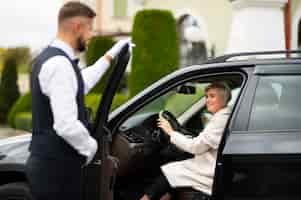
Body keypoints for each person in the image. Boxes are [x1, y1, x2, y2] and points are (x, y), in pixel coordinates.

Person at [25, 2, 132, 200]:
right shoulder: (59, 65)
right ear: (77, 27)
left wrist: (110, 55)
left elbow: (82, 82)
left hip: (51, 167)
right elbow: (65, 124)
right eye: (90, 28)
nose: (91, 35)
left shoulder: (54, 60)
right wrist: (90, 147)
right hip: (57, 171)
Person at [140, 82, 232, 200]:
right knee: (173, 171)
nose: (207, 100)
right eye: (207, 96)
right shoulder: (221, 116)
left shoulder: (221, 120)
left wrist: (170, 132)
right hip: (208, 164)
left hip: (209, 171)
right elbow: (202, 141)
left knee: (167, 175)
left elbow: (196, 147)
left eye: (212, 96)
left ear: (223, 99)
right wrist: (179, 134)